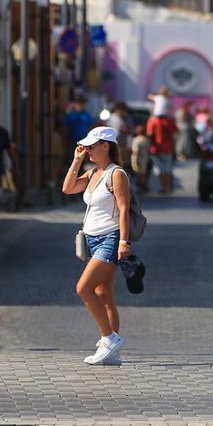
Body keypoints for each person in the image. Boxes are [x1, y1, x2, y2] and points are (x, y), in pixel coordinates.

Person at [61, 125, 132, 366]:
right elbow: (68, 188)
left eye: (92, 146)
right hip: (91, 239)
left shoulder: (117, 174)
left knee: (83, 288)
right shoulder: (93, 173)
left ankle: (109, 338)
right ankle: (112, 353)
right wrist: (76, 160)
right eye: (86, 146)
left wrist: (124, 241)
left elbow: (124, 209)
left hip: (110, 239)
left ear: (106, 146)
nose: (88, 150)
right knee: (104, 294)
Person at [146, 110, 177, 195]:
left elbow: (149, 133)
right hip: (168, 148)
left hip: (156, 149)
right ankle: (167, 187)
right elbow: (175, 132)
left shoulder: (152, 121)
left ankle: (165, 187)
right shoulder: (169, 121)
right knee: (167, 169)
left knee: (159, 170)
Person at [63, 96, 93, 164]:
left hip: (84, 142)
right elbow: (65, 128)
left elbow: (91, 127)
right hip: (72, 141)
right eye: (79, 104)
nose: (81, 106)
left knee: (82, 161)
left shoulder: (87, 115)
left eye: (82, 104)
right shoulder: (71, 115)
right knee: (71, 160)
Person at [130, 125, 151, 194]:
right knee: (144, 174)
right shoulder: (146, 139)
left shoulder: (136, 140)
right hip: (145, 158)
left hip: (138, 159)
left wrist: (134, 160)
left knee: (139, 174)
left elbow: (135, 151)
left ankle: (140, 188)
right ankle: (143, 186)